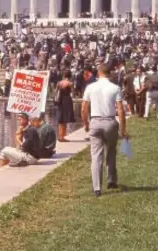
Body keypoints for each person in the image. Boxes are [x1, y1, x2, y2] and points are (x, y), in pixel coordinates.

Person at [81, 63, 128, 197]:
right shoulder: (115, 88)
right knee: (111, 150)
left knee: (96, 155)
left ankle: (97, 187)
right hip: (110, 121)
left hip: (95, 121)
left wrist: (86, 124)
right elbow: (120, 110)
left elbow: (84, 108)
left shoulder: (90, 87)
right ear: (109, 73)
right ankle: (111, 179)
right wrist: (123, 129)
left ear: (98, 73)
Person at [55, 69, 76, 142]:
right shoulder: (70, 83)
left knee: (60, 119)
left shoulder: (59, 83)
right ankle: (62, 137)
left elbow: (56, 92)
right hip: (67, 101)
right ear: (70, 75)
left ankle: (60, 136)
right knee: (65, 119)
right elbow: (73, 93)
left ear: (64, 75)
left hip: (60, 101)